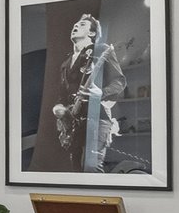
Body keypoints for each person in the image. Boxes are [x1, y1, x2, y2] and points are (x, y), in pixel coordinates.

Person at [50, 13, 125, 172]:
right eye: (75, 24)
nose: (76, 26)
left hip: (96, 118)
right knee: (75, 170)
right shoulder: (65, 63)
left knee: (92, 169)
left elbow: (119, 82)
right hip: (74, 123)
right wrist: (60, 112)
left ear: (92, 33)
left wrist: (101, 93)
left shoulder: (102, 50)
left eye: (82, 24)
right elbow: (61, 97)